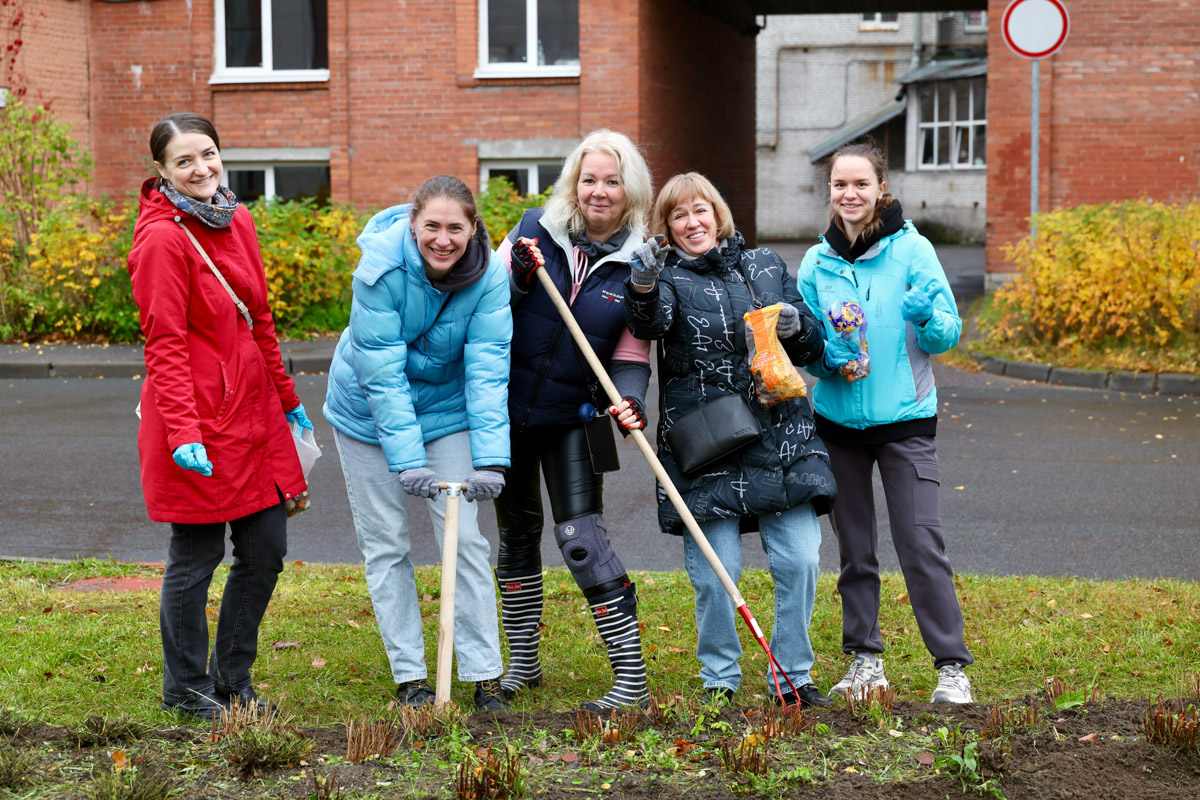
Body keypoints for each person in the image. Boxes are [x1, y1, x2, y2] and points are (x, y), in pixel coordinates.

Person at [624, 172, 838, 708]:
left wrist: (796, 325)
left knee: (801, 559)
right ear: (667, 229)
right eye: (678, 216)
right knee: (716, 573)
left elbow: (813, 344)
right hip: (708, 440)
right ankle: (719, 678)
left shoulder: (765, 264)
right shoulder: (666, 276)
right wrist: (644, 284)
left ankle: (793, 676)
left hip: (780, 433)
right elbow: (649, 323)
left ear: (718, 214)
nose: (692, 223)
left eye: (701, 211)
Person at [127, 112, 310, 720]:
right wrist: (182, 431)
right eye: (184, 161)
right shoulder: (161, 239)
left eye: (207, 154)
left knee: (265, 550)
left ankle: (232, 678)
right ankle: (185, 686)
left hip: (254, 416)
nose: (201, 168)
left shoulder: (239, 219)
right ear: (162, 171)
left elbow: (259, 320)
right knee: (197, 554)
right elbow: (165, 343)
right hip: (198, 422)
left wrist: (289, 400)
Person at [323, 176, 513, 712]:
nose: (443, 239)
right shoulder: (380, 268)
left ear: (474, 229)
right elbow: (382, 375)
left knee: (465, 540)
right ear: (413, 223)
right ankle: (410, 677)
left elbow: (488, 370)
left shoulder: (489, 276)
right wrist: (406, 463)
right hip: (366, 413)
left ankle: (483, 675)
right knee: (387, 545)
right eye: (432, 225)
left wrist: (492, 460)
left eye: (456, 227)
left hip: (448, 410)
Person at [796, 139, 974, 704]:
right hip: (837, 426)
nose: (850, 194)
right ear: (831, 192)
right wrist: (829, 359)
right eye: (839, 185)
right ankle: (865, 662)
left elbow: (947, 334)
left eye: (860, 184)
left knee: (920, 543)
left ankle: (951, 668)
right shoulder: (815, 262)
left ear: (882, 189)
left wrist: (927, 317)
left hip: (905, 423)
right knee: (855, 549)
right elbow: (805, 347)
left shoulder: (913, 251)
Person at [492, 130, 653, 711]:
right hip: (507, 411)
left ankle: (631, 679)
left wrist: (629, 399)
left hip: (575, 417)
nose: (599, 191)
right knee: (515, 536)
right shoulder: (535, 229)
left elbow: (632, 354)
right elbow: (487, 303)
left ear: (629, 188)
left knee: (581, 539)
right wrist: (513, 274)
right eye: (590, 179)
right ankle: (524, 665)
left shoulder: (640, 258)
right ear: (574, 182)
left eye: (612, 181)